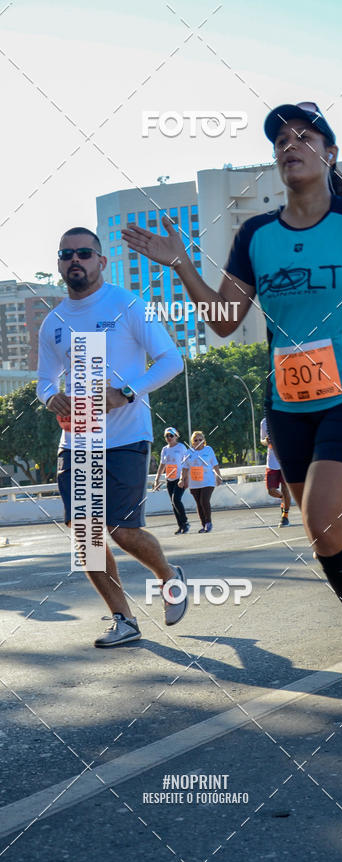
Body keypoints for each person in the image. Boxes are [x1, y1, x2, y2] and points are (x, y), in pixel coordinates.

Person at [122, 102, 342, 697]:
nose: (291, 145)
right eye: (281, 139)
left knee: (322, 517)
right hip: (287, 405)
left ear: (329, 153)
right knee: (326, 534)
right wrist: (181, 263)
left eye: (305, 136)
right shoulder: (256, 235)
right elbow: (224, 320)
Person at [37, 227, 188, 647]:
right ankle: (124, 619)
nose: (75, 260)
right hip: (77, 441)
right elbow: (44, 381)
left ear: (101, 262)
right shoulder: (53, 322)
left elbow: (171, 360)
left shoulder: (128, 304)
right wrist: (52, 398)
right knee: (85, 537)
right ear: (60, 264)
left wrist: (126, 393)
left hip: (126, 436)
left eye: (84, 253)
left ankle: (168, 576)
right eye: (66, 254)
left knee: (122, 531)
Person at [180, 430, 222, 532]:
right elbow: (185, 468)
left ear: (204, 441)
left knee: (204, 501)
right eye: (195, 440)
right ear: (192, 442)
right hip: (194, 483)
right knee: (199, 504)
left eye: (200, 439)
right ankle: (204, 525)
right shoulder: (188, 452)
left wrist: (219, 476)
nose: (198, 441)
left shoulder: (208, 450)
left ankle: (208, 522)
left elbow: (215, 464)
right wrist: (182, 479)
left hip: (208, 481)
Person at [154, 427, 190, 533]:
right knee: (173, 503)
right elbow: (162, 465)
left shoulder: (181, 447)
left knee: (176, 500)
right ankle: (181, 526)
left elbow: (187, 463)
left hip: (180, 478)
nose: (169, 437)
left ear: (176, 436)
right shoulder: (164, 449)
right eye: (167, 436)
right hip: (169, 479)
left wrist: (185, 479)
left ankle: (185, 522)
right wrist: (157, 479)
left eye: (171, 435)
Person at [260, 416, 291, 527]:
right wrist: (266, 441)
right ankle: (283, 498)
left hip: (286, 460)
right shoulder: (264, 422)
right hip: (272, 462)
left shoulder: (286, 417)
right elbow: (262, 441)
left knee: (285, 488)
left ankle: (285, 517)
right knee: (271, 491)